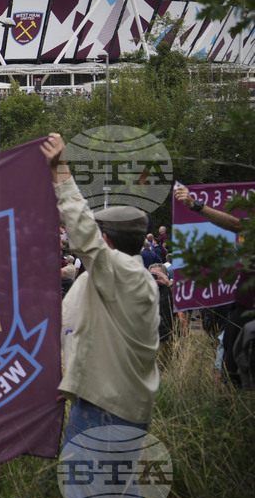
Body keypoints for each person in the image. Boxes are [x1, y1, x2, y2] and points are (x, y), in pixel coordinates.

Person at [43, 133, 159, 444]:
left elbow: (82, 231)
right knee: (112, 491)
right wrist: (72, 382)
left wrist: (60, 170)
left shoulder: (123, 276)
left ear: (105, 241)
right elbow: (82, 331)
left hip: (106, 411)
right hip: (107, 403)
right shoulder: (124, 280)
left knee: (91, 491)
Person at [174, 183, 250, 388]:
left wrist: (195, 205)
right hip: (241, 312)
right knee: (229, 373)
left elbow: (236, 225)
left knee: (231, 376)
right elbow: (237, 225)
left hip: (246, 313)